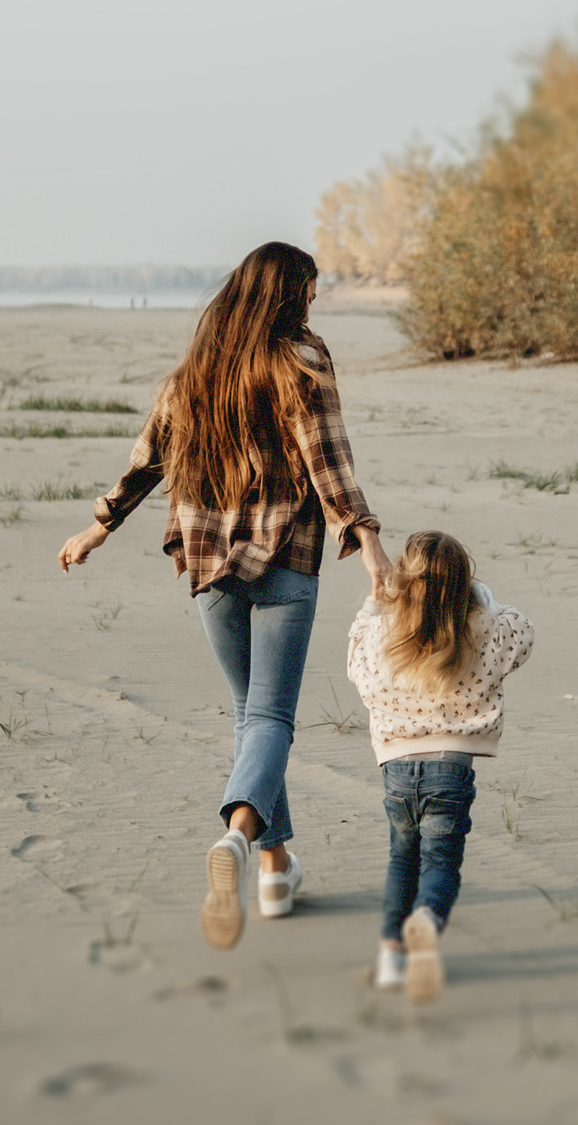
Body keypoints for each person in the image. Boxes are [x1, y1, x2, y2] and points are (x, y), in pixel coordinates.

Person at [58, 241, 388, 950]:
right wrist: (370, 544)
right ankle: (239, 840)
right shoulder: (302, 360)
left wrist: (98, 527)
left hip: (207, 562)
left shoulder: (193, 375)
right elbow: (328, 456)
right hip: (286, 560)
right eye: (309, 289)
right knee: (269, 718)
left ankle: (274, 873)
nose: (314, 301)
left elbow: (147, 458)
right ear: (285, 296)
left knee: (250, 719)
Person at [345, 530, 532, 1001]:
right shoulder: (482, 629)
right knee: (441, 862)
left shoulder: (387, 633)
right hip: (451, 767)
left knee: (400, 858)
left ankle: (391, 955)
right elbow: (522, 635)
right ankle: (427, 919)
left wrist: (375, 605)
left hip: (397, 768)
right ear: (463, 586)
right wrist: (482, 599)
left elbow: (355, 662)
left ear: (404, 583)